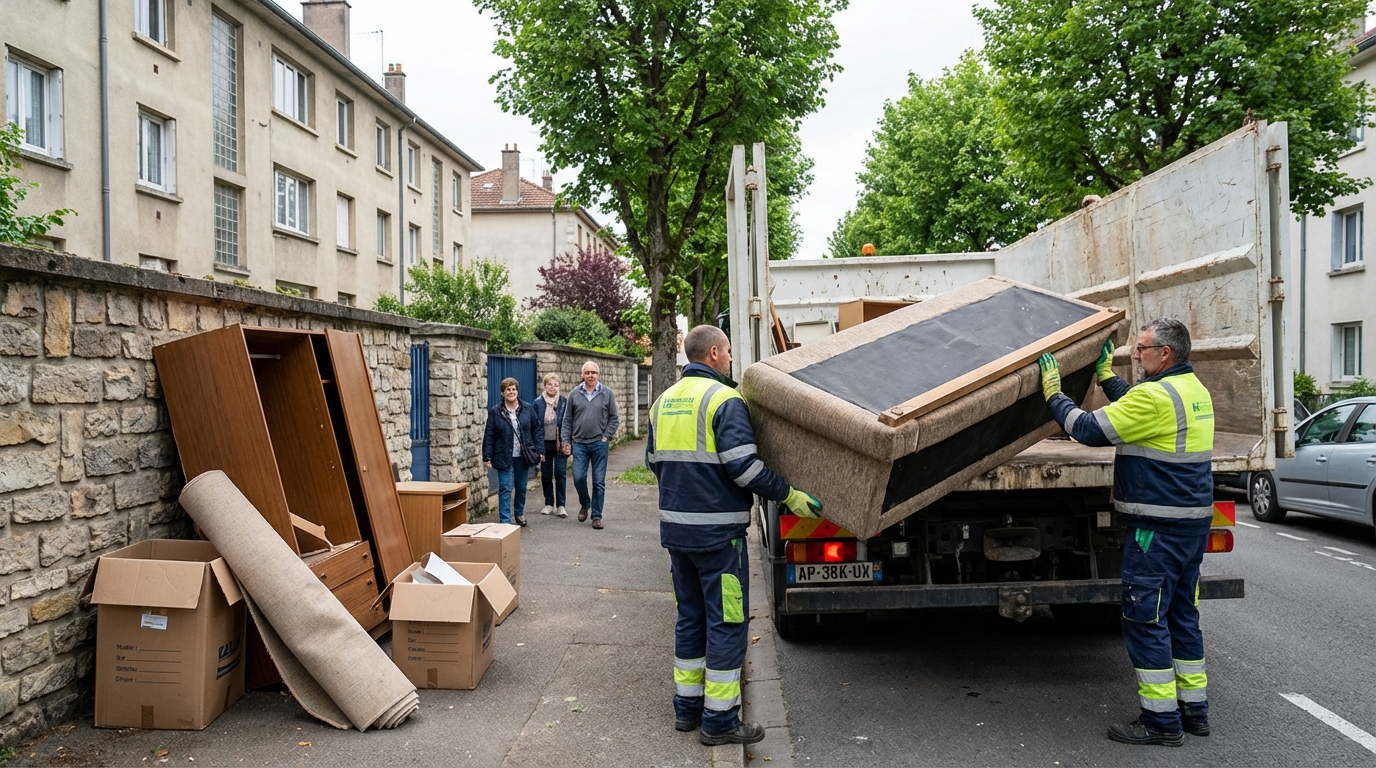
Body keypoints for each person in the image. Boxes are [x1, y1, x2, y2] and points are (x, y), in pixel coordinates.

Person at [1038, 318, 1215, 747]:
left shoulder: (1154, 397)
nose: (1134, 354)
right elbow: (1135, 406)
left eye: (1141, 348)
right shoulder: (1191, 390)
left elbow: (1087, 429)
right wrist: (1105, 378)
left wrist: (1054, 394)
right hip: (1191, 527)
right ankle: (1194, 711)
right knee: (1182, 617)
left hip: (1156, 531)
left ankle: (1161, 722)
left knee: (1145, 620)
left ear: (1164, 354)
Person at [647, 325, 822, 747]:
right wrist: (791, 495)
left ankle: (687, 709)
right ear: (713, 353)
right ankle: (720, 720)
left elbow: (655, 462)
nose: (730, 359)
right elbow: (745, 469)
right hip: (718, 537)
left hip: (676, 534)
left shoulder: (662, 402)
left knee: (690, 617)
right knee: (727, 622)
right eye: (727, 351)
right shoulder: (724, 400)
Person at [560, 361, 620, 530]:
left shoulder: (607, 393)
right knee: (578, 477)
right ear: (582, 375)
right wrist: (565, 441)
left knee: (598, 482)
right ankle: (585, 503)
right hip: (579, 443)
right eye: (587, 372)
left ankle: (596, 516)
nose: (590, 375)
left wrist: (606, 437)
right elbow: (567, 420)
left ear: (598, 375)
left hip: (599, 444)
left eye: (593, 372)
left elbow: (614, 418)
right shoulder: (574, 394)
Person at [483, 377, 542, 527]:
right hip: (503, 455)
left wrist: (539, 449)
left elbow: (537, 429)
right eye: (508, 389)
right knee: (505, 488)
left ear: (517, 391)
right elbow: (489, 434)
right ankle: (505, 521)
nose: (511, 392)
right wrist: (487, 456)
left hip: (523, 456)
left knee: (521, 488)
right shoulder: (496, 412)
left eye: (514, 389)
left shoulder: (527, 408)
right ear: (502, 393)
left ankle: (519, 514)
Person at [536, 373, 569, 518]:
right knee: (546, 475)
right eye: (549, 384)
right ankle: (549, 503)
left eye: (555, 384)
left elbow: (568, 423)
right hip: (544, 444)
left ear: (559, 386)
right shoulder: (538, 403)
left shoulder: (564, 402)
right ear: (545, 385)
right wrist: (538, 447)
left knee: (560, 473)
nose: (552, 387)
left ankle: (561, 505)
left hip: (560, 443)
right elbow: (535, 425)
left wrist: (567, 442)